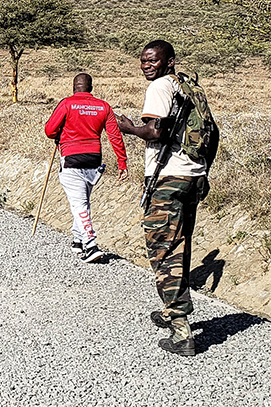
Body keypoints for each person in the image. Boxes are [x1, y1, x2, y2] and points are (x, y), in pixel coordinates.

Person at [117, 40, 206, 357]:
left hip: (169, 179)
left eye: (152, 60)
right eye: (143, 61)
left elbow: (156, 131)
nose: (146, 65)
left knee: (164, 251)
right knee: (180, 245)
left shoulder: (160, 87)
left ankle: (180, 331)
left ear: (169, 61)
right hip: (194, 177)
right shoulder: (189, 87)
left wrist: (129, 128)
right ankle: (172, 309)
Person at [45, 73, 128, 262]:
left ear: (74, 87)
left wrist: (59, 133)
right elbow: (115, 136)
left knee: (79, 203)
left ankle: (90, 245)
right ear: (91, 87)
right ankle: (77, 240)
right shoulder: (104, 107)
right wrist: (122, 162)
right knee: (82, 200)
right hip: (94, 160)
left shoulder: (66, 104)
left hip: (71, 159)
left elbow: (50, 130)